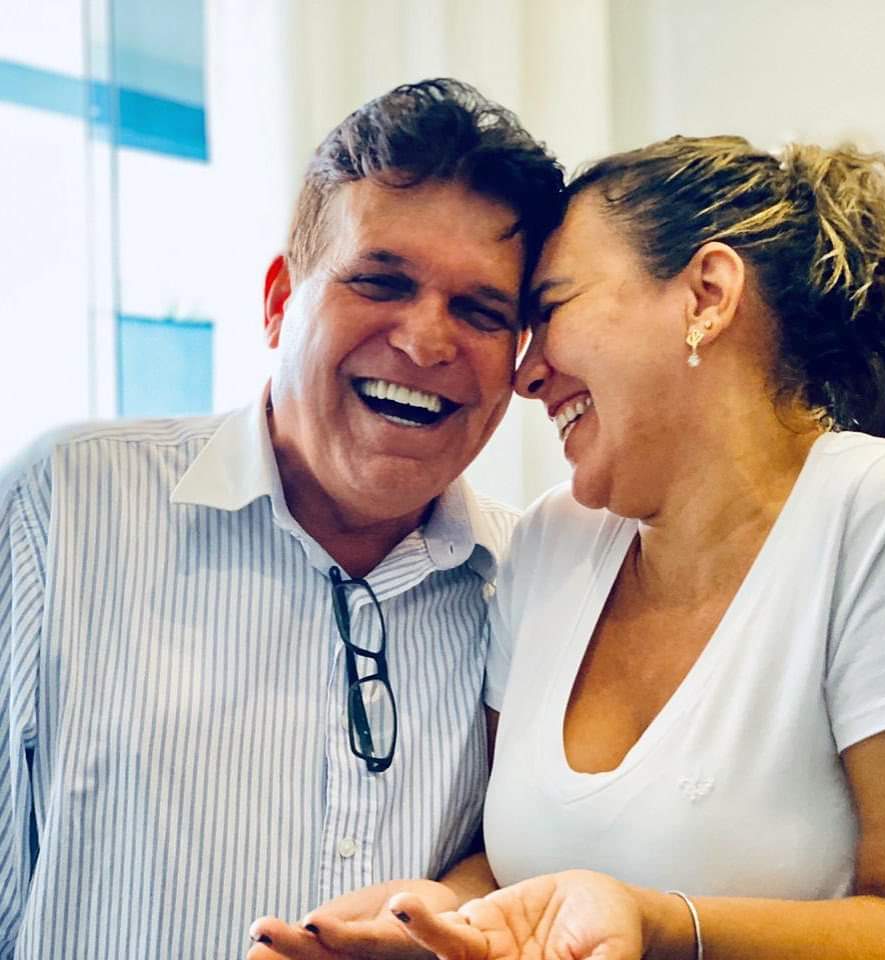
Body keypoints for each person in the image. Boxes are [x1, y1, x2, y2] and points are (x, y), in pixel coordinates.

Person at [249, 136, 885, 960]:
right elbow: (511, 870)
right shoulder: (550, 542)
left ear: (706, 296)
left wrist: (660, 926)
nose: (525, 373)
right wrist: (433, 918)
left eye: (550, 309)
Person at [0, 78, 564, 960]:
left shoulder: (532, 581)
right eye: (380, 281)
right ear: (277, 302)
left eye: (481, 310)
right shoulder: (64, 505)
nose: (427, 341)